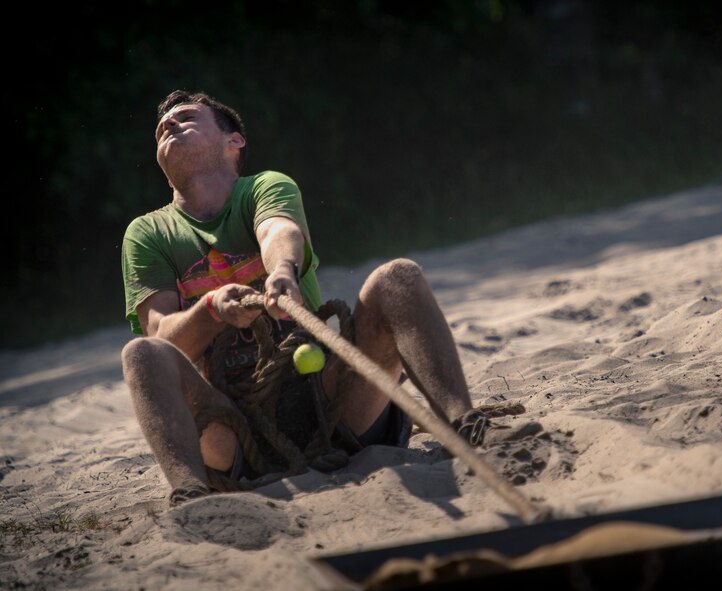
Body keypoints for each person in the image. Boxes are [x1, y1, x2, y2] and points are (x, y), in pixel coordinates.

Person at [120, 90, 482, 506]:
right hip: (232, 432)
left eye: (185, 117)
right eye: (161, 127)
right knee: (141, 354)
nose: (168, 125)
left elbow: (278, 230)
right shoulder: (147, 233)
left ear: (233, 141)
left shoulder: (265, 186)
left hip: (330, 403)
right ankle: (191, 496)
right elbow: (163, 335)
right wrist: (211, 309)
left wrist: (281, 272)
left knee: (396, 278)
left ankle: (466, 427)